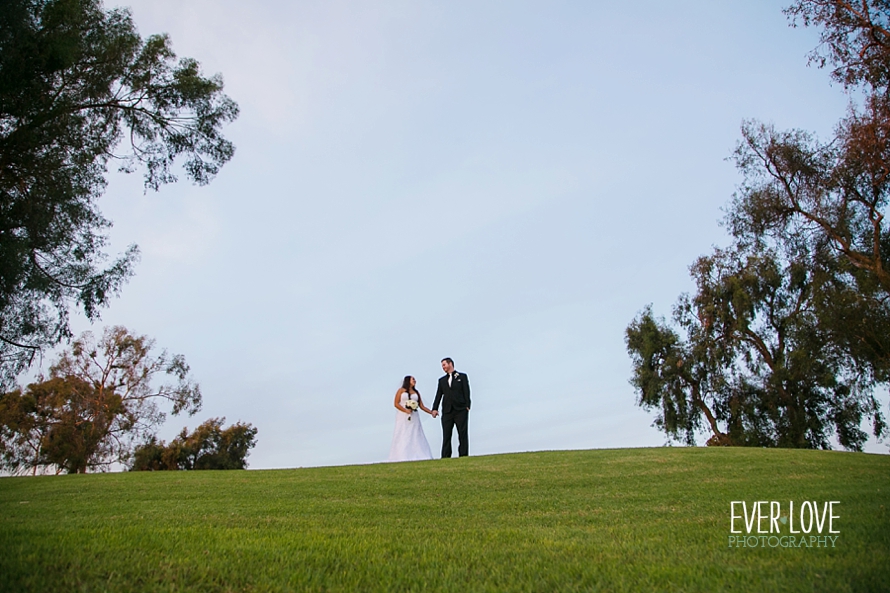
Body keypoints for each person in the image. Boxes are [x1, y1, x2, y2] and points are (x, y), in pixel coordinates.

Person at [387, 376, 434, 462]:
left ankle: (418, 453)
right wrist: (405, 410)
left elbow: (422, 406)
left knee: (415, 433)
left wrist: (431, 412)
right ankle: (401, 455)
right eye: (413, 379)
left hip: (414, 416)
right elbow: (396, 403)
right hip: (403, 416)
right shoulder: (401, 391)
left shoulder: (416, 392)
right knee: (403, 433)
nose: (415, 381)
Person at [431, 357, 470, 457]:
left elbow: (466, 391)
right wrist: (434, 408)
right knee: (446, 435)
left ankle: (463, 455)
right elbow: (438, 395)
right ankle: (445, 456)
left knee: (462, 433)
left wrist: (467, 405)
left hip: (460, 409)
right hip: (447, 411)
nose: (443, 367)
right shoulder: (442, 381)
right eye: (442, 366)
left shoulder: (462, 376)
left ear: (450, 364)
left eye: (444, 365)